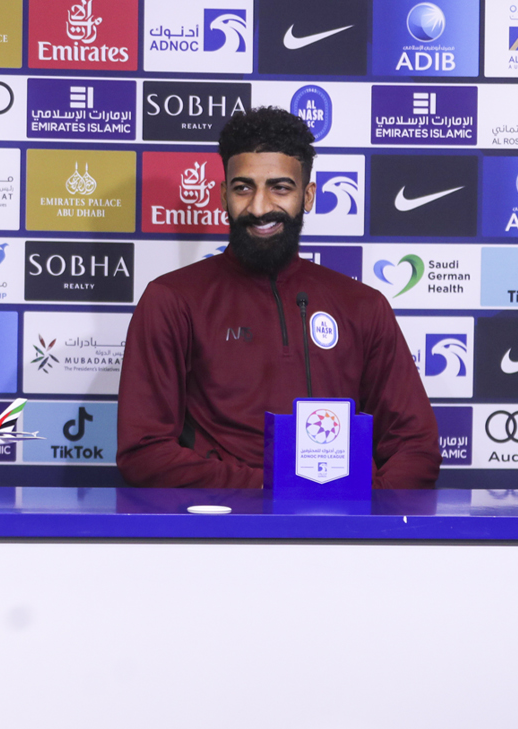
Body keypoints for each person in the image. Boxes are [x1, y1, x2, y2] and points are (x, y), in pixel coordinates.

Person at [117, 107, 440, 489]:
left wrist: (362, 503)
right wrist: (271, 489)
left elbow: (415, 446)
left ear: (308, 196)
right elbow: (144, 451)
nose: (259, 207)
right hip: (225, 520)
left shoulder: (363, 305)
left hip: (343, 521)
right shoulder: (172, 300)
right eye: (243, 188)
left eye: (280, 188)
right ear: (222, 195)